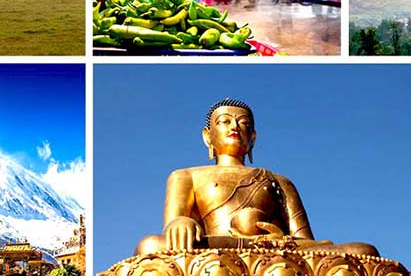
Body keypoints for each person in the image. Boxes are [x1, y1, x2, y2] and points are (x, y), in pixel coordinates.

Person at [133, 98, 379, 256]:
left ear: (253, 138)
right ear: (208, 137)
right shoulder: (186, 176)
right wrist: (179, 223)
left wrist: (279, 241)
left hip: (278, 251)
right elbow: (174, 223)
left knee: (363, 251)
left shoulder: (279, 181)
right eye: (224, 121)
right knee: (152, 246)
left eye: (243, 123)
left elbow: (307, 242)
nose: (234, 127)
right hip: (217, 247)